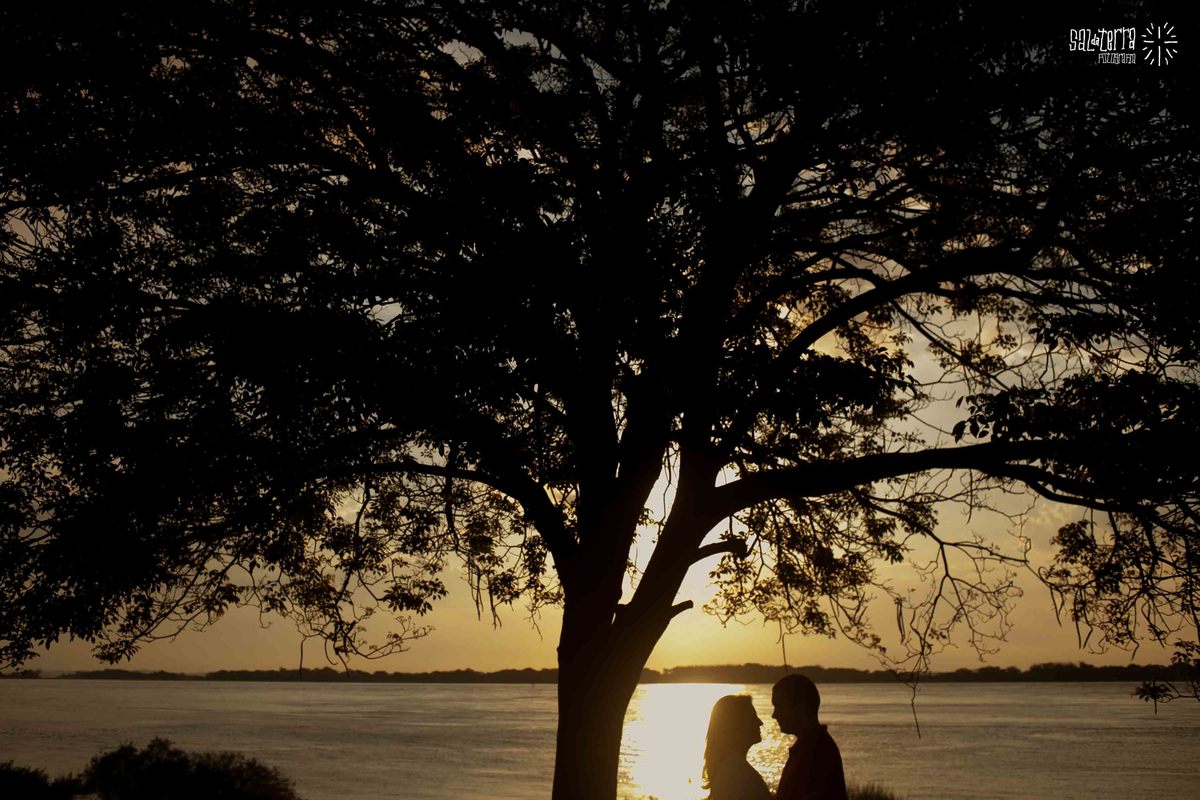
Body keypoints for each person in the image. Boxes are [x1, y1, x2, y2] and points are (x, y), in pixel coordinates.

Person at [772, 674, 848, 800]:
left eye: (779, 707)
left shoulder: (818, 752)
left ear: (801, 708)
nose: (774, 715)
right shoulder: (809, 747)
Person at [703, 694, 772, 800]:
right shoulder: (739, 774)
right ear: (736, 725)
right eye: (752, 718)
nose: (760, 722)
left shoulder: (730, 768)